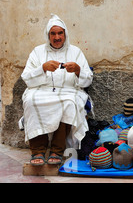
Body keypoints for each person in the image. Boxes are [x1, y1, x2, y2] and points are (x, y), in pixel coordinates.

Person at [21, 14, 93, 165]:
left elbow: (88, 79)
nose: (57, 37)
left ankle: (57, 150)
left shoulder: (76, 52)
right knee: (31, 101)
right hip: (41, 90)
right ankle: (38, 150)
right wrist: (42, 69)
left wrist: (78, 70)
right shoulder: (37, 52)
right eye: (53, 33)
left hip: (68, 90)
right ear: (48, 36)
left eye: (60, 33)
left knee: (68, 103)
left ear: (65, 34)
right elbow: (27, 78)